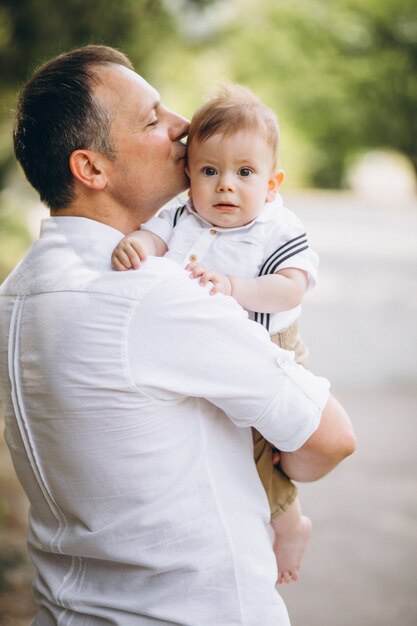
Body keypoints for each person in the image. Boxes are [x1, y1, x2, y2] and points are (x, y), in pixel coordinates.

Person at [0, 45, 356, 626]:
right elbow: (331, 440)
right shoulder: (152, 293)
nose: (184, 127)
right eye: (153, 118)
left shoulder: (17, 291)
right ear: (91, 169)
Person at [112, 83, 316, 585]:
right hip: (209, 353)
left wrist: (234, 287)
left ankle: (289, 523)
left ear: (272, 183)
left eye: (245, 173)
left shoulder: (276, 227)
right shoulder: (180, 215)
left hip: (270, 349)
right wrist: (134, 244)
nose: (226, 186)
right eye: (210, 171)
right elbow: (153, 237)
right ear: (188, 176)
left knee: (259, 453)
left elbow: (291, 289)